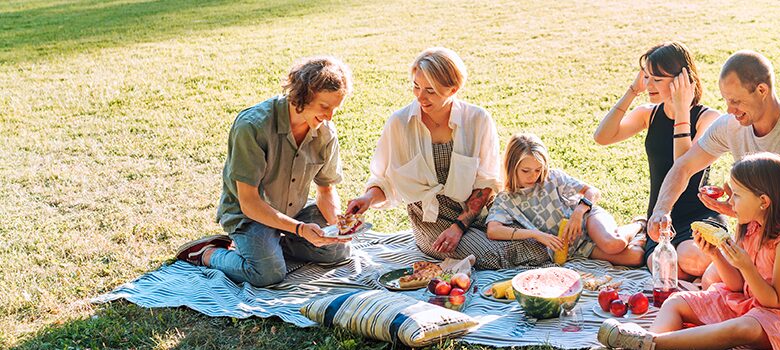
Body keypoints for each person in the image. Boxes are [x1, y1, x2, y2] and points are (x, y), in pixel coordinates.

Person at [586, 153, 780, 350]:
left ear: (763, 201)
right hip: (751, 302)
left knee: (743, 328)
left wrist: (745, 265)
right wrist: (715, 253)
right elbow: (736, 286)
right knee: (677, 301)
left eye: (737, 195)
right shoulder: (750, 226)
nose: (730, 203)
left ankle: (648, 342)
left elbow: (777, 302)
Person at [647, 50, 780, 289]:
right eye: (726, 100)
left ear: (762, 91)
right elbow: (684, 166)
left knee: (744, 287)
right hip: (761, 224)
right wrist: (661, 210)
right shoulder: (732, 125)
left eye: (735, 101)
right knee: (712, 280)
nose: (729, 110)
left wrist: (741, 211)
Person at [345, 47, 548, 269]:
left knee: (537, 240)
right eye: (416, 86)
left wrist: (460, 226)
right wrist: (367, 199)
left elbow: (486, 183)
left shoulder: (478, 119)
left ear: (453, 89)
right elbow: (386, 180)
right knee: (491, 255)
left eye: (430, 90)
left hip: (476, 214)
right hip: (431, 220)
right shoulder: (400, 123)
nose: (420, 96)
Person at [175, 56, 353, 287]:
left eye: (335, 109)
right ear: (304, 95)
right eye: (324, 107)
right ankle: (208, 253)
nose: (329, 117)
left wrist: (336, 228)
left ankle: (273, 245)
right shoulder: (253, 126)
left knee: (339, 251)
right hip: (249, 215)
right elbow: (249, 202)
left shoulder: (325, 132)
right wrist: (300, 229)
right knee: (268, 274)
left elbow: (326, 189)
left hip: (293, 211)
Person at [592, 41, 724, 278]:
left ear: (681, 80)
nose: (648, 84)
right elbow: (602, 137)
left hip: (699, 217)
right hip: (660, 220)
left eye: (657, 79)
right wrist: (632, 90)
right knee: (663, 269)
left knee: (692, 260)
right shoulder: (649, 114)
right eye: (646, 77)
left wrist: (682, 110)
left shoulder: (709, 119)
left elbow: (682, 167)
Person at [485, 134, 645, 266]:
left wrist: (579, 212)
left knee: (613, 243)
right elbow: (493, 230)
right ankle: (634, 236)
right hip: (577, 247)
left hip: (588, 219)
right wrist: (535, 234)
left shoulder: (552, 178)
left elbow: (592, 191)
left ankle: (639, 223)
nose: (533, 176)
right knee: (636, 257)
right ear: (511, 167)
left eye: (538, 170)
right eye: (526, 170)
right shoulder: (506, 199)